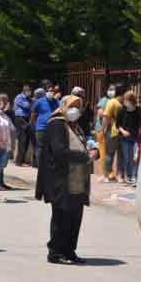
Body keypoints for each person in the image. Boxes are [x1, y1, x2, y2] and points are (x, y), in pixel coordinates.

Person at [36, 96, 98, 265]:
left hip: (77, 180)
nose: (76, 109)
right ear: (64, 107)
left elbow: (84, 145)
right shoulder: (56, 124)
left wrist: (94, 152)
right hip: (60, 180)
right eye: (72, 106)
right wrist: (85, 156)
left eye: (79, 106)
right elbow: (59, 151)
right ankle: (55, 252)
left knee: (75, 216)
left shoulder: (74, 126)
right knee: (61, 216)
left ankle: (69, 251)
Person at [116, 91, 141, 185]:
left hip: (136, 137)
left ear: (132, 101)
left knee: (136, 158)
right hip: (125, 138)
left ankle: (135, 176)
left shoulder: (139, 110)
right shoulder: (121, 110)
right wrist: (123, 131)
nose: (125, 102)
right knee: (128, 158)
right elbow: (117, 124)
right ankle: (129, 176)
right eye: (125, 100)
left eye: (127, 100)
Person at [102, 83, 126, 183]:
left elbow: (106, 117)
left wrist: (103, 129)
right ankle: (120, 176)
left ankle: (106, 175)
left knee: (109, 154)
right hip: (123, 132)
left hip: (112, 131)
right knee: (121, 155)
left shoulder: (112, 102)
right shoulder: (124, 103)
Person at [31, 85, 60, 167]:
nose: (51, 92)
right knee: (40, 147)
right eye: (49, 91)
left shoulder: (56, 102)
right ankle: (40, 166)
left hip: (53, 129)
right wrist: (33, 124)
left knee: (51, 148)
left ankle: (49, 165)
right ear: (46, 92)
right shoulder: (40, 101)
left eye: (52, 91)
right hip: (41, 128)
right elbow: (33, 113)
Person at [95, 84, 116, 177]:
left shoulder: (113, 101)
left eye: (113, 89)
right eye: (110, 89)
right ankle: (104, 173)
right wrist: (110, 117)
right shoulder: (103, 100)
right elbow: (100, 114)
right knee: (103, 152)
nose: (112, 91)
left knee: (108, 152)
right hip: (101, 129)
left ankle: (108, 172)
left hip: (109, 130)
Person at [0, 93, 16, 190]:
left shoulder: (5, 114)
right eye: (3, 101)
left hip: (6, 143)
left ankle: (1, 182)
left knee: (3, 164)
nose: (5, 103)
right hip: (0, 143)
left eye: (6, 101)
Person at [13, 85, 32, 167]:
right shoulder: (19, 97)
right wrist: (31, 103)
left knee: (26, 140)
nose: (29, 93)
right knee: (22, 139)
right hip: (20, 119)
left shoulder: (28, 98)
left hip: (26, 118)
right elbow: (27, 106)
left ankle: (22, 159)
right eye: (28, 91)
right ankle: (19, 161)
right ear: (24, 91)